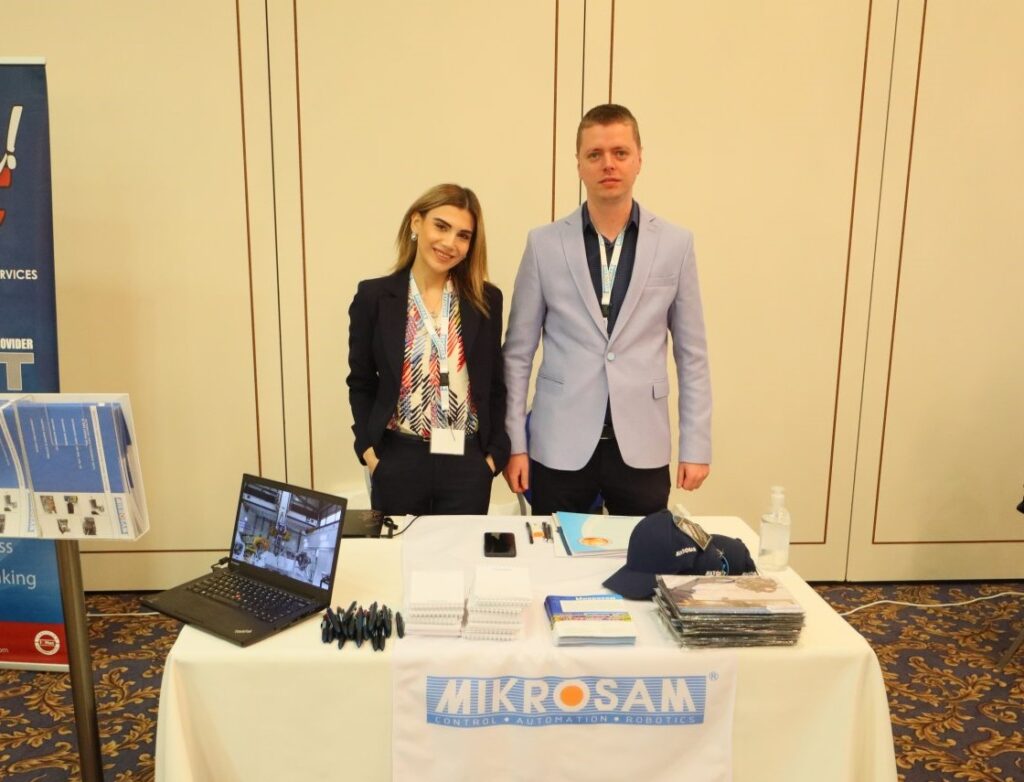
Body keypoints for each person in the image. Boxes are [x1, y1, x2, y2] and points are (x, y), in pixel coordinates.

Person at [503, 104, 711, 516]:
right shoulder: (543, 244)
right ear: (579, 164)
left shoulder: (676, 244)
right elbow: (517, 354)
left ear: (639, 160)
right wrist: (515, 444)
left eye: (620, 152)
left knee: (641, 554)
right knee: (555, 553)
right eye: (595, 154)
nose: (608, 164)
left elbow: (693, 355)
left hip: (642, 444)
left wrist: (697, 445)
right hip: (558, 444)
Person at [347, 183, 510, 515]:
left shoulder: (485, 300)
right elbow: (361, 382)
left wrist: (493, 456)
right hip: (399, 459)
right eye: (441, 226)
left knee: (462, 549)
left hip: (467, 462)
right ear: (416, 222)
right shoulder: (374, 298)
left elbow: (494, 384)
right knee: (400, 550)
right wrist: (368, 451)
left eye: (463, 235)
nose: (450, 243)